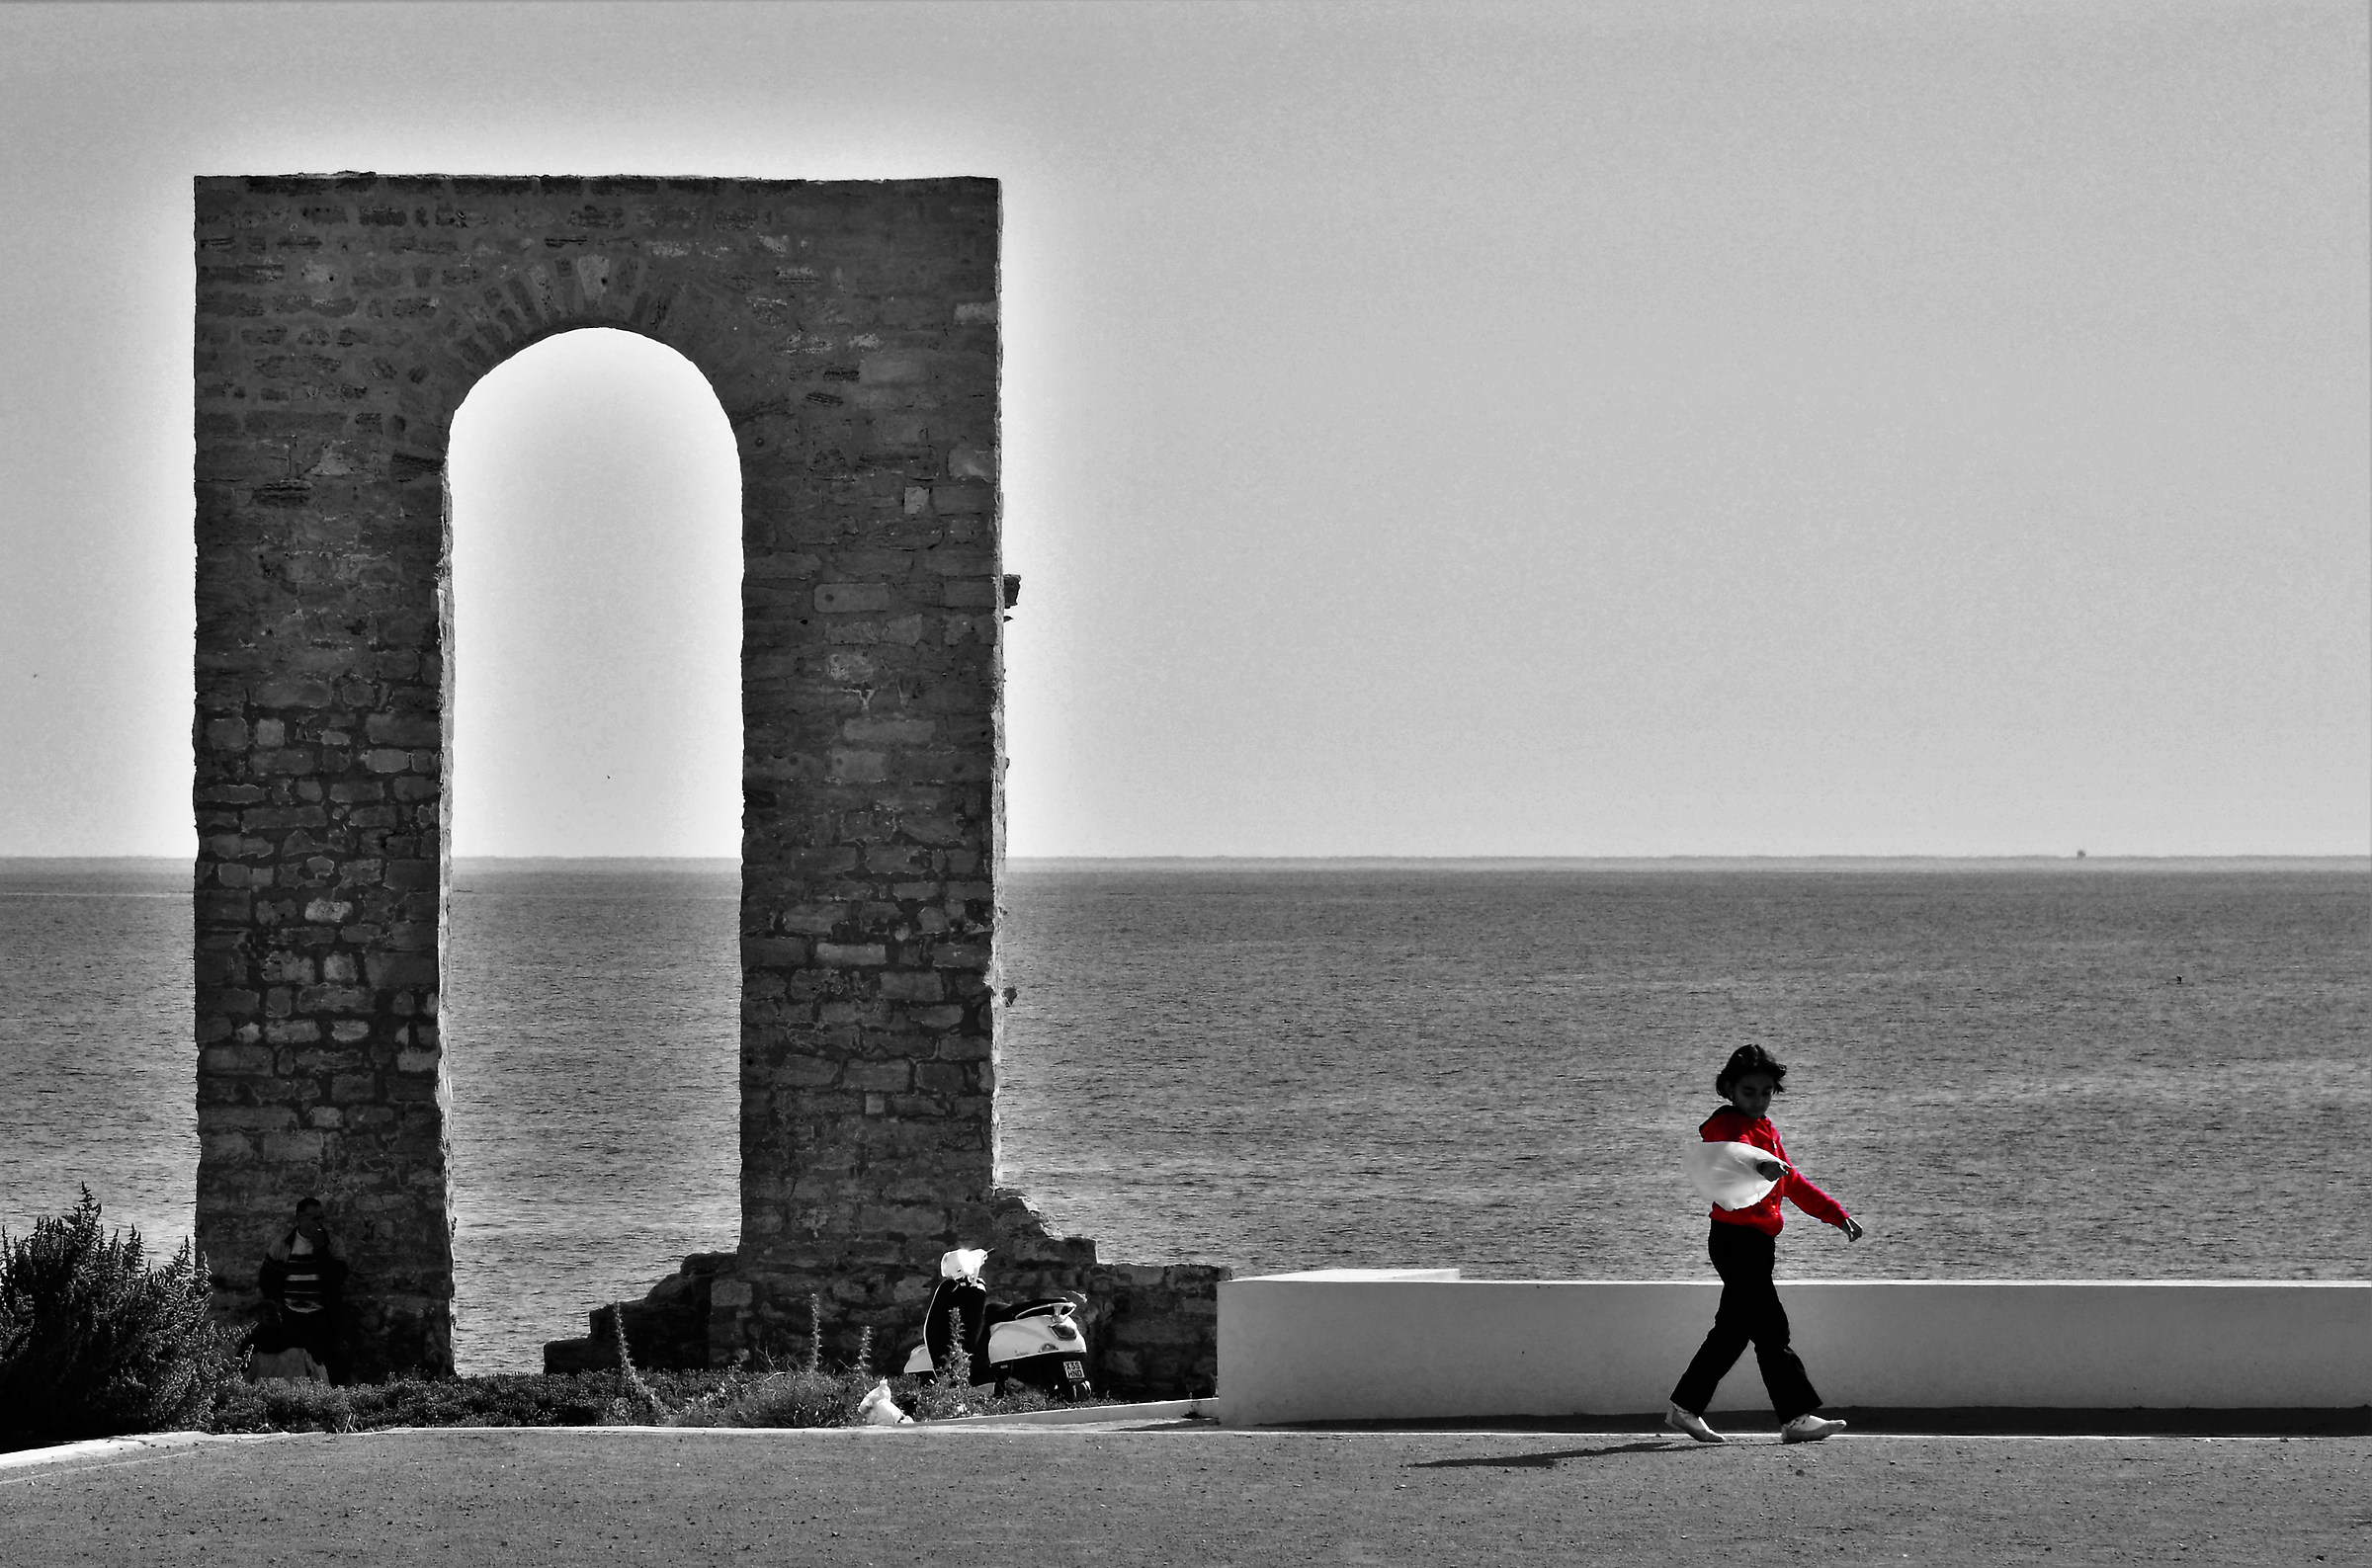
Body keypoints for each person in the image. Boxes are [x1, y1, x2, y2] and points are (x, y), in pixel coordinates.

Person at [1665, 1044, 1864, 1444]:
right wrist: (1761, 1165)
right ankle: (1795, 1418)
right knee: (1772, 1329)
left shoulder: (1768, 1130)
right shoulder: (1724, 1123)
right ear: (1729, 1090)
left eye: (1766, 1090)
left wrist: (1835, 1214)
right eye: (1749, 1091)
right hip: (1734, 1242)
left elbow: (1791, 1181)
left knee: (1732, 1332)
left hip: (1757, 1244)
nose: (1758, 1099)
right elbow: (1731, 1153)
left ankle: (1684, 1408)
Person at [253, 1197, 348, 1382]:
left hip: (322, 1316)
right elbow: (265, 1279)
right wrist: (278, 1305)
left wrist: (320, 1248)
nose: (319, 1223)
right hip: (291, 1316)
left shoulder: (333, 1244)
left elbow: (337, 1278)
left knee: (326, 1363)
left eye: (321, 1218)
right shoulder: (283, 1245)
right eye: (315, 1219)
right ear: (300, 1218)